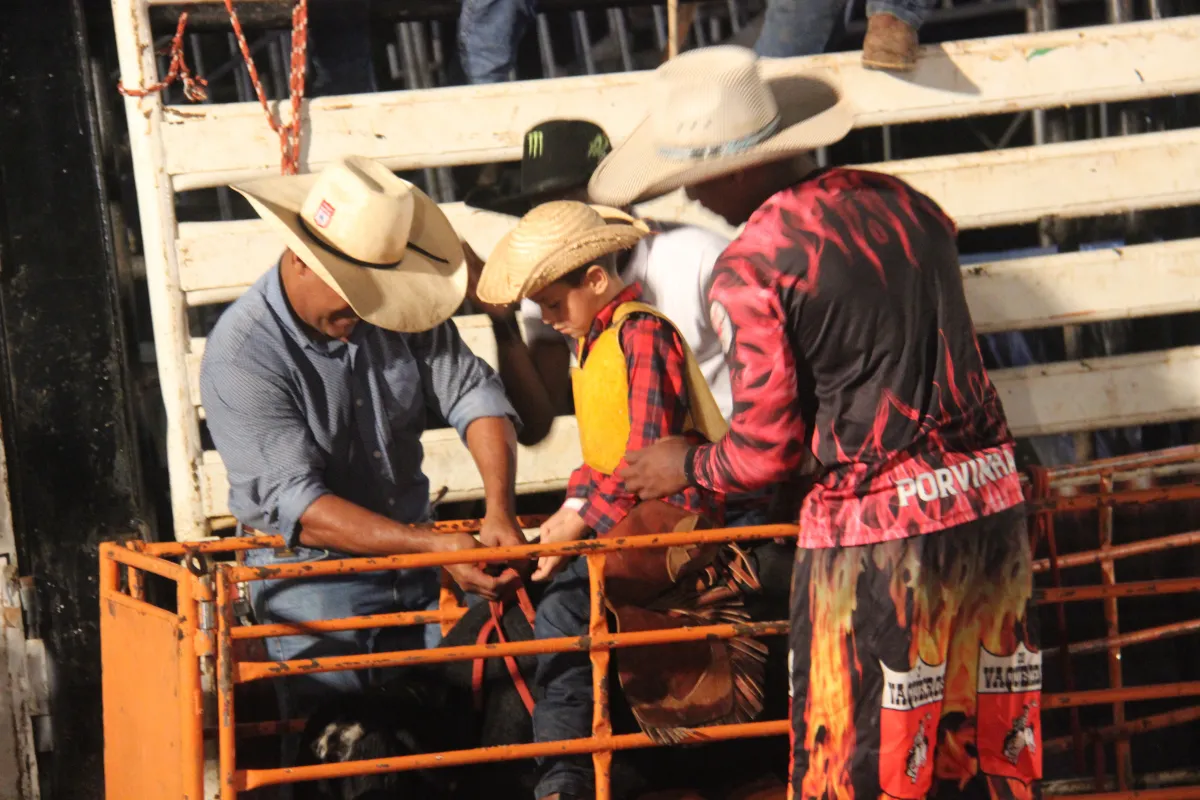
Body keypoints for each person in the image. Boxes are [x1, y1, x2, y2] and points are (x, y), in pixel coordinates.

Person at [590, 47, 1043, 800]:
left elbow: (766, 451)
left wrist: (687, 465)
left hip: (879, 543)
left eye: (697, 176)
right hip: (989, 509)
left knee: (861, 762)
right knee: (987, 751)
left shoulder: (754, 266)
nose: (693, 194)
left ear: (734, 169)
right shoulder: (906, 205)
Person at [200, 155, 528, 728]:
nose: (365, 306)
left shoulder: (390, 312)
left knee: (442, 739)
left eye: (376, 289)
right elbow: (299, 504)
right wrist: (429, 548)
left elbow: (472, 393)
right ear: (300, 260)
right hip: (311, 579)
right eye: (352, 289)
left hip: (414, 566)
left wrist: (499, 508)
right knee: (340, 747)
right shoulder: (243, 353)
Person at [477, 201, 767, 800]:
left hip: (673, 517)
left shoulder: (641, 334)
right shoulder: (598, 341)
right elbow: (602, 457)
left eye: (554, 304)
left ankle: (564, 774)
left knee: (564, 608)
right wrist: (568, 514)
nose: (548, 319)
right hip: (633, 514)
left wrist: (580, 522)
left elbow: (646, 457)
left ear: (594, 280)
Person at [463, 118, 778, 526]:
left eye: (570, 206)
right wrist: (502, 323)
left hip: (727, 489)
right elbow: (537, 424)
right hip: (637, 490)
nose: (557, 224)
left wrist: (583, 515)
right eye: (542, 212)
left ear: (619, 198)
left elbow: (771, 386)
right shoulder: (551, 291)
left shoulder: (699, 259)